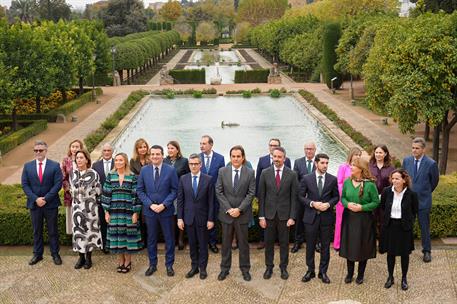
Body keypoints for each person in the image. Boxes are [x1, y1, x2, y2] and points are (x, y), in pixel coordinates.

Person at [137, 145, 179, 277]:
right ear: (150, 156)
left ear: (162, 155)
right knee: (151, 239)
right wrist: (150, 204)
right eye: (153, 154)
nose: (155, 156)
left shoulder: (171, 170)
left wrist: (164, 205)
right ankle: (152, 265)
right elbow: (140, 190)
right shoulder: (144, 170)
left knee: (169, 239)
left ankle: (169, 265)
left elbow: (175, 190)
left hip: (166, 211)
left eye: (158, 154)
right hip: (150, 212)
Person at [215, 145, 255, 281]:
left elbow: (251, 193)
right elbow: (219, 192)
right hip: (226, 215)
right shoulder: (222, 171)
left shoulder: (250, 172)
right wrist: (229, 209)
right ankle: (224, 269)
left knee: (243, 244)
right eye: (233, 156)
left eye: (238, 156)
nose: (236, 159)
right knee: (225, 244)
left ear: (243, 157)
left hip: (242, 215)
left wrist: (239, 209)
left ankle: (245, 270)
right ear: (230, 157)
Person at [258, 146, 298, 280]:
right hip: (268, 216)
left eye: (279, 157)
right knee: (268, 243)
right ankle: (269, 267)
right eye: (275, 156)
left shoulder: (292, 174)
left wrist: (292, 217)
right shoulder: (265, 173)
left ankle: (283, 268)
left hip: (284, 216)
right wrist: (261, 216)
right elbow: (261, 196)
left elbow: (294, 198)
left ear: (284, 158)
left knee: (284, 243)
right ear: (272, 157)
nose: (277, 159)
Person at [22, 140, 63, 266]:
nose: (38, 152)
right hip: (34, 204)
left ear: (46, 150)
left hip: (50, 204)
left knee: (53, 230)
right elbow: (25, 185)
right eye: (36, 150)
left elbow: (58, 184)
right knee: (36, 231)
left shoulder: (55, 165)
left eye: (40, 150)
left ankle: (55, 254)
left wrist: (45, 199)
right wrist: (36, 199)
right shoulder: (27, 166)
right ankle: (37, 254)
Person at [300, 153, 339, 284]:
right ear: (316, 163)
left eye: (327, 163)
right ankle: (310, 271)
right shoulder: (306, 178)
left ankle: (323, 272)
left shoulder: (332, 179)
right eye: (322, 163)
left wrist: (328, 204)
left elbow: (336, 197)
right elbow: (300, 196)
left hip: (326, 218)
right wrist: (312, 203)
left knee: (325, 246)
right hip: (310, 218)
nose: (325, 165)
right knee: (310, 246)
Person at [101, 153, 143, 273]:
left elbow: (136, 196)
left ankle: (128, 261)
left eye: (121, 160)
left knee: (128, 237)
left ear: (125, 162)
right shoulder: (110, 176)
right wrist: (106, 212)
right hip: (114, 212)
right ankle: (120, 260)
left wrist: (136, 213)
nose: (118, 162)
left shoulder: (132, 176)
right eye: (117, 160)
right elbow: (105, 194)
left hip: (128, 211)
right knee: (117, 237)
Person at [339, 158, 379, 284]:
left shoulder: (370, 185)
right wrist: (347, 204)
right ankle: (350, 274)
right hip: (349, 218)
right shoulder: (347, 182)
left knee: (363, 246)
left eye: (353, 165)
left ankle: (360, 275)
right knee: (349, 245)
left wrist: (362, 207)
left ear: (361, 169)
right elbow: (343, 198)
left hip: (364, 220)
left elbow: (376, 202)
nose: (351, 167)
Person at [177, 153, 214, 280]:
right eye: (191, 164)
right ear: (189, 165)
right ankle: (194, 267)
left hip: (203, 219)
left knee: (203, 244)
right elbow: (180, 200)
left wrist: (210, 219)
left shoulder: (208, 179)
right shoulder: (183, 179)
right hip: (188, 218)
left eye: (196, 164)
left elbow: (211, 202)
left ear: (200, 165)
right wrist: (180, 218)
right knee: (192, 244)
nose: (193, 166)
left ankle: (203, 268)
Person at [380, 169, 418, 291]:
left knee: (404, 255)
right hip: (390, 226)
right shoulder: (386, 191)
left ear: (404, 180)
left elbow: (414, 211)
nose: (394, 181)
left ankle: (404, 278)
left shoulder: (411, 194)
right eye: (393, 178)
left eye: (397, 178)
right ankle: (390, 277)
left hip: (404, 228)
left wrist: (409, 222)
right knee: (390, 254)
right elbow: (383, 206)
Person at [402, 137, 439, 263]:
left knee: (424, 227)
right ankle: (406, 248)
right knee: (407, 226)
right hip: (409, 201)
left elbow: (434, 182)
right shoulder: (406, 160)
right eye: (413, 148)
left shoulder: (431, 164)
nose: (414, 150)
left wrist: (425, 192)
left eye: (417, 148)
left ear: (423, 149)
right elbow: (404, 178)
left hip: (424, 201)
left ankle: (427, 251)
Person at [255, 138, 291, 250]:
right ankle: (263, 240)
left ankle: (280, 240)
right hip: (267, 196)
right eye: (271, 145)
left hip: (282, 198)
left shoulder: (287, 160)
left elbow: (288, 178)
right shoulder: (262, 160)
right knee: (265, 220)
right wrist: (258, 195)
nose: (273, 147)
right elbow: (258, 179)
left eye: (275, 145)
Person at [70, 149, 102, 269]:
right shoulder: (73, 173)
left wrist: (86, 192)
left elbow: (99, 190)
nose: (79, 160)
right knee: (79, 232)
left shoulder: (93, 173)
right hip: (77, 207)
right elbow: (71, 189)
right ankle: (81, 257)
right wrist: (76, 192)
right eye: (77, 158)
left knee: (89, 232)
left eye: (81, 157)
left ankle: (88, 258)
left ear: (87, 159)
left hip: (90, 208)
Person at [200, 135, 225, 254]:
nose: (201, 146)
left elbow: (222, 177)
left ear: (211, 144)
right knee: (200, 219)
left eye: (204, 143)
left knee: (213, 218)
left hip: (214, 195)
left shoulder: (220, 158)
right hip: (200, 195)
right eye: (200, 143)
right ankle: (202, 243)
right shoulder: (197, 158)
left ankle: (213, 242)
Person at [333, 147, 362, 251]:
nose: (358, 156)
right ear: (351, 155)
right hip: (343, 200)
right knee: (340, 222)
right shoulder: (343, 167)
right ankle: (337, 244)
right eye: (356, 154)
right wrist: (345, 195)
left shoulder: (360, 168)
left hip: (355, 201)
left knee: (352, 223)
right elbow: (339, 182)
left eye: (359, 155)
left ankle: (350, 243)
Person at [164, 140, 190, 250]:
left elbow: (188, 176)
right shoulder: (164, 161)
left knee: (180, 215)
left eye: (172, 148)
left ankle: (180, 239)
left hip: (180, 192)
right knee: (170, 217)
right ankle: (171, 239)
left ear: (177, 149)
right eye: (168, 148)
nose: (170, 150)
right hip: (167, 193)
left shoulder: (184, 161)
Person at [292, 142, 317, 253]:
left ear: (315, 150)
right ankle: (298, 242)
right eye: (306, 148)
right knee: (299, 221)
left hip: (315, 198)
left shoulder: (319, 162)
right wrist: (302, 193)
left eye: (311, 149)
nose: (309, 151)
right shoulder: (298, 162)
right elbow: (295, 179)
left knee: (315, 221)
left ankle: (316, 243)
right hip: (301, 198)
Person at [92, 142, 114, 253]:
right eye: (104, 150)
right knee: (103, 223)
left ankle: (115, 244)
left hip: (115, 199)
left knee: (114, 222)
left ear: (112, 151)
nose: (106, 152)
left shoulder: (118, 162)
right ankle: (105, 244)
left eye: (108, 150)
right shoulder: (95, 165)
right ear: (102, 152)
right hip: (101, 200)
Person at [369, 144, 395, 238]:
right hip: (371, 198)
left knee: (384, 221)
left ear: (385, 154)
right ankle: (371, 243)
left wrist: (383, 195)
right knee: (371, 221)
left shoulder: (391, 168)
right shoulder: (370, 166)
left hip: (385, 198)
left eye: (380, 152)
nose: (378, 154)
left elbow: (393, 184)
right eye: (376, 152)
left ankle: (383, 243)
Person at [61, 139, 84, 235]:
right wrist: (69, 189)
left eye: (77, 147)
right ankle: (74, 238)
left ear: (81, 148)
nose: (74, 149)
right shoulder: (66, 160)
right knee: (72, 217)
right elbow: (63, 176)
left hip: (83, 193)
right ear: (70, 148)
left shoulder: (84, 159)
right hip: (70, 193)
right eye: (73, 147)